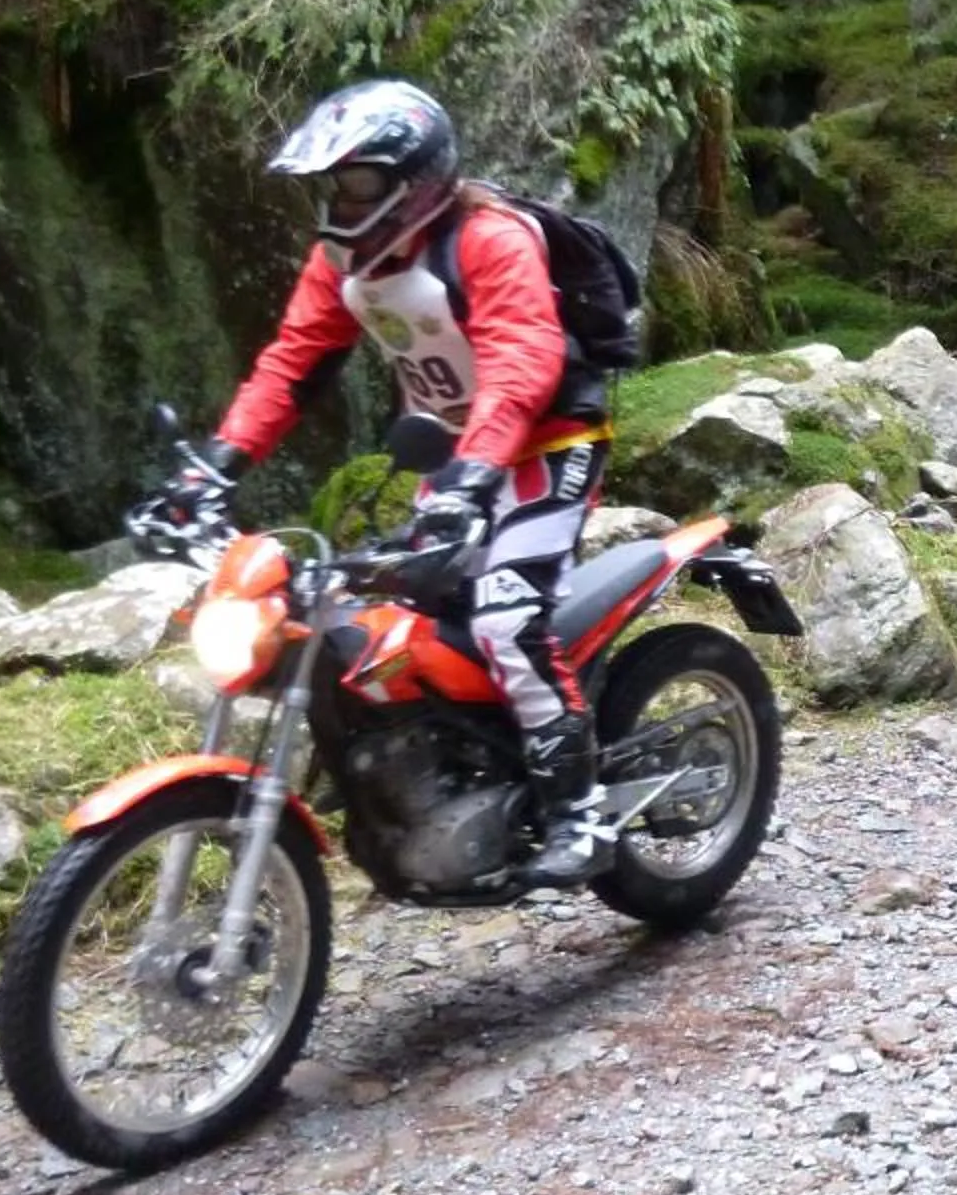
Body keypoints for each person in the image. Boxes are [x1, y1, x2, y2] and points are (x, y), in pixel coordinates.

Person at [136, 79, 622, 887]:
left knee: (506, 616)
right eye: (334, 183)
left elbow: (521, 362)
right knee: (402, 622)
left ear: (415, 177)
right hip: (454, 458)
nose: (341, 199)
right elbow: (293, 365)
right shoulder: (342, 262)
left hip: (549, 443)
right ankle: (459, 775)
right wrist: (215, 464)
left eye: (358, 180)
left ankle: (580, 806)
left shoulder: (490, 238)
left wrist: (473, 476)